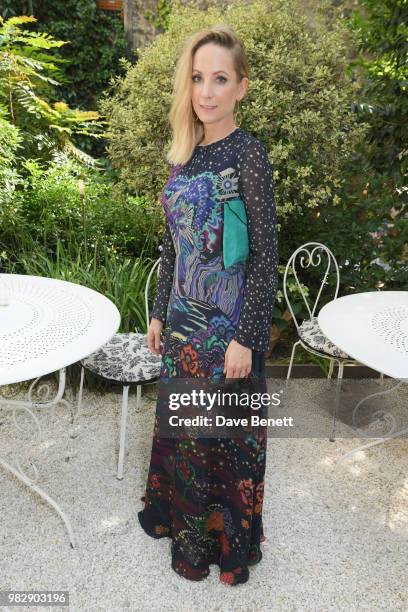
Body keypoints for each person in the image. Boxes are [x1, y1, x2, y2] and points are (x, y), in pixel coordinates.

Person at [138, 23, 279, 586]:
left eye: (220, 79)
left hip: (228, 336)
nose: (206, 91)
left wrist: (247, 335)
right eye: (198, 78)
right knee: (185, 434)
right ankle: (182, 527)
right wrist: (155, 309)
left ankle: (225, 547)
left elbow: (265, 256)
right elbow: (170, 244)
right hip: (181, 329)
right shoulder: (183, 153)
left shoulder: (249, 155)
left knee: (224, 440)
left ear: (241, 87)